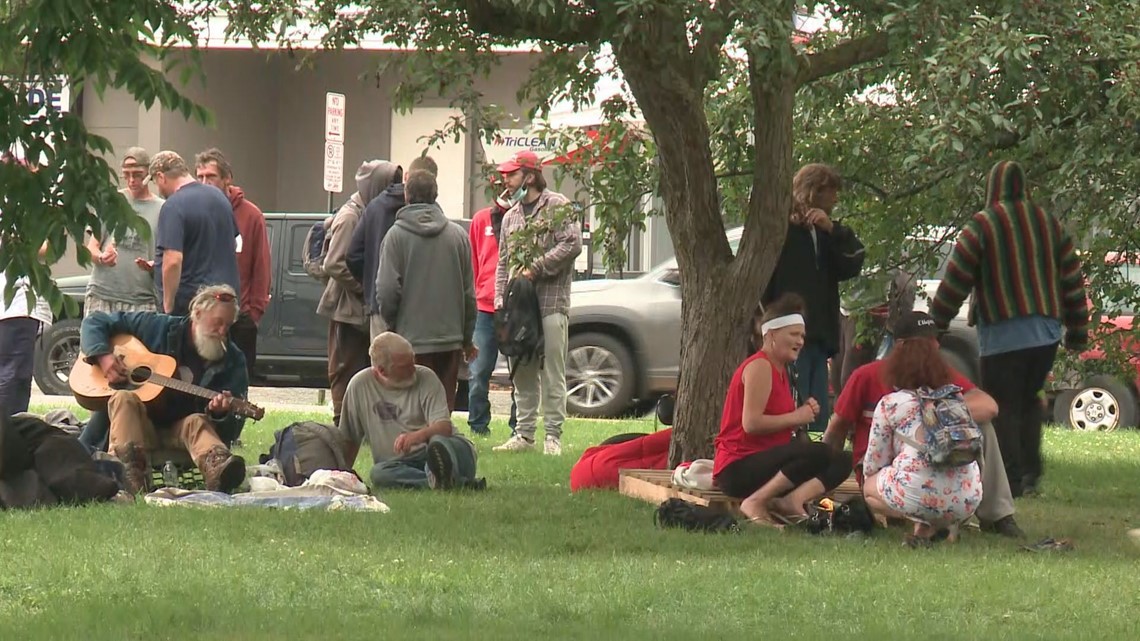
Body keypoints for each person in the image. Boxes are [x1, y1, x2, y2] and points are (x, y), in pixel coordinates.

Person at [930, 160, 1090, 497]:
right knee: (1030, 400)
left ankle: (1012, 483)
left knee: (1002, 406)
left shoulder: (983, 225)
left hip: (1003, 332)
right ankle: (1031, 475)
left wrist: (936, 325)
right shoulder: (1050, 224)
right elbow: (1073, 281)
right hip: (1046, 333)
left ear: (992, 188)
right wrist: (1077, 330)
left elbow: (955, 281)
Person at [825, 311, 1022, 537]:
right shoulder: (866, 376)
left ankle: (998, 515)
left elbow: (988, 406)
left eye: (935, 340)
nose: (935, 346)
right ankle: (935, 519)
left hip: (937, 465)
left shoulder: (938, 374)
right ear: (900, 345)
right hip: (889, 468)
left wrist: (933, 410)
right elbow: (837, 429)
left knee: (982, 426)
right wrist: (823, 479)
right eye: (927, 342)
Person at [77, 284, 249, 494]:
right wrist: (104, 357)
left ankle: (220, 470)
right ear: (197, 313)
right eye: (217, 323)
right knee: (123, 397)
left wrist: (221, 414)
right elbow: (95, 321)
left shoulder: (233, 360)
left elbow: (232, 429)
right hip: (137, 426)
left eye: (228, 326)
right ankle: (129, 475)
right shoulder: (159, 328)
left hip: (181, 433)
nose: (223, 332)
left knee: (196, 421)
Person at [712, 294, 852, 527]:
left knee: (844, 459)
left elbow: (776, 423)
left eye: (802, 336)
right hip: (738, 467)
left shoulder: (782, 370)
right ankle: (755, 501)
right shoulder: (760, 366)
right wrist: (796, 417)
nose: (800, 341)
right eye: (794, 334)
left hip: (768, 463)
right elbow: (751, 424)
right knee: (817, 452)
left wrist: (799, 418)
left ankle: (791, 501)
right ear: (772, 335)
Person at [861, 312, 985, 545]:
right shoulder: (955, 400)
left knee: (868, 487)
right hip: (968, 500)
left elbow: (873, 463)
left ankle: (925, 520)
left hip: (918, 495)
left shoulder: (892, 404)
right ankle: (930, 529)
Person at [492, 150, 582, 456]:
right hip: (518, 309)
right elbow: (503, 261)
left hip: (550, 302)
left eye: (512, 174)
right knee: (522, 369)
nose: (506, 179)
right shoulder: (510, 216)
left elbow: (572, 243)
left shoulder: (558, 205)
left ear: (529, 176)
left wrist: (537, 268)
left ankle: (553, 436)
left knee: (553, 370)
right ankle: (524, 434)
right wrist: (500, 299)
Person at [763, 163, 865, 432]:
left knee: (818, 402)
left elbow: (852, 263)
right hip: (789, 327)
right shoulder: (783, 228)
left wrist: (831, 230)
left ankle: (816, 446)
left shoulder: (825, 232)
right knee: (794, 399)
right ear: (814, 191)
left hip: (819, 331)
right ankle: (795, 446)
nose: (835, 199)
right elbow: (766, 280)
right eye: (830, 192)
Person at [375, 170, 476, 410]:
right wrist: (466, 338)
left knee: (411, 408)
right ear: (436, 195)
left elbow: (387, 289)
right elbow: (469, 294)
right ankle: (440, 446)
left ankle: (414, 447)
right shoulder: (458, 236)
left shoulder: (395, 236)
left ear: (406, 195)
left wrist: (392, 325)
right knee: (441, 408)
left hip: (410, 340)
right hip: (449, 340)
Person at [338, 332, 481, 490]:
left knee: (437, 442)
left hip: (448, 451)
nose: (413, 368)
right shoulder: (359, 386)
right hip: (400, 463)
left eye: (412, 360)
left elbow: (444, 427)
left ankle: (446, 475)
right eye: (404, 366)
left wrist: (417, 436)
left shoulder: (426, 378)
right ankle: (449, 483)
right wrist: (340, 476)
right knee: (378, 473)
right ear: (382, 370)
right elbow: (349, 438)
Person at [317, 160, 400, 426]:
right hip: (346, 309)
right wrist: (365, 288)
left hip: (359, 308)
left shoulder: (369, 212)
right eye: (390, 184)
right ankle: (343, 423)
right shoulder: (352, 216)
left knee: (365, 367)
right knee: (346, 368)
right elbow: (335, 263)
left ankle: (361, 423)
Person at [194, 148, 271, 375]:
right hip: (204, 315)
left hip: (240, 316)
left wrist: (254, 312)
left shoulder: (251, 215)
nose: (205, 182)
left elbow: (262, 266)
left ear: (227, 179)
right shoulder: (194, 211)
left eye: (211, 176)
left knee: (237, 383)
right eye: (200, 177)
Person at [345, 156, 435, 340]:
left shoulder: (375, 207)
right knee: (412, 365)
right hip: (417, 308)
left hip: (378, 306)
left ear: (407, 175)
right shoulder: (431, 213)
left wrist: (370, 280)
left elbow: (353, 255)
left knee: (382, 365)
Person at [147, 151, 241, 316]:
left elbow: (173, 260)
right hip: (225, 301)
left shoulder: (173, 206)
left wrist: (168, 306)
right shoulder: (219, 197)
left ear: (161, 177)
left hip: (193, 307)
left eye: (155, 182)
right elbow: (230, 243)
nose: (158, 188)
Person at [83, 147, 162, 315]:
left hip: (141, 298)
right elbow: (91, 248)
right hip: (102, 293)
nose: (132, 180)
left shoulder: (162, 208)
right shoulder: (112, 201)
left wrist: (155, 266)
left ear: (149, 174)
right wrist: (102, 258)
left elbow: (167, 257)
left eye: (137, 174)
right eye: (126, 175)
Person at [467, 186, 515, 436]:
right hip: (484, 308)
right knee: (478, 371)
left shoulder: (523, 219)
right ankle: (478, 426)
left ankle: (518, 428)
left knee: (519, 373)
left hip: (515, 307)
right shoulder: (480, 220)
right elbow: (473, 260)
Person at [0, 243, 51, 417]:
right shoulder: (17, 217)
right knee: (14, 377)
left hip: (16, 305)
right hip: (16, 304)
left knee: (14, 375)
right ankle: (8, 434)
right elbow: (45, 249)